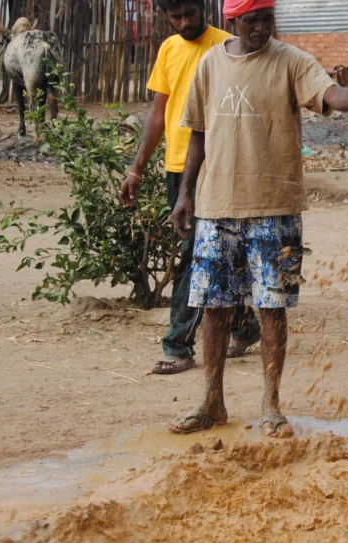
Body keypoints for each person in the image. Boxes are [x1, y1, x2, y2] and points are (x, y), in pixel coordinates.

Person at [167, 0, 348, 436]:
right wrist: (185, 193)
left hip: (276, 207)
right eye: (253, 20)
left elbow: (332, 95)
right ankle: (211, 401)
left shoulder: (293, 61)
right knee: (214, 309)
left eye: (268, 18)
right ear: (232, 20)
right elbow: (198, 132)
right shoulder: (210, 64)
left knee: (273, 309)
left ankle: (271, 405)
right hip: (217, 207)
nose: (262, 28)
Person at [120, 0, 261, 375]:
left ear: (203, 9)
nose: (184, 22)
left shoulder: (228, 47)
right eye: (176, 17)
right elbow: (158, 113)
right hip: (178, 169)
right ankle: (244, 324)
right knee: (205, 250)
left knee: (196, 253)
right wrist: (136, 169)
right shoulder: (168, 49)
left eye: (190, 15)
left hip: (218, 166)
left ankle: (178, 345)